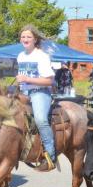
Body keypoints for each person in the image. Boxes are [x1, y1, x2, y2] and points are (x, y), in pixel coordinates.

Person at [16, 24, 56, 171]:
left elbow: (49, 81)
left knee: (40, 119)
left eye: (28, 37)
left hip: (40, 92)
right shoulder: (20, 56)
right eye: (23, 36)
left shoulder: (42, 56)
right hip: (24, 94)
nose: (25, 39)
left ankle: (50, 155)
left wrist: (27, 79)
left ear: (35, 39)